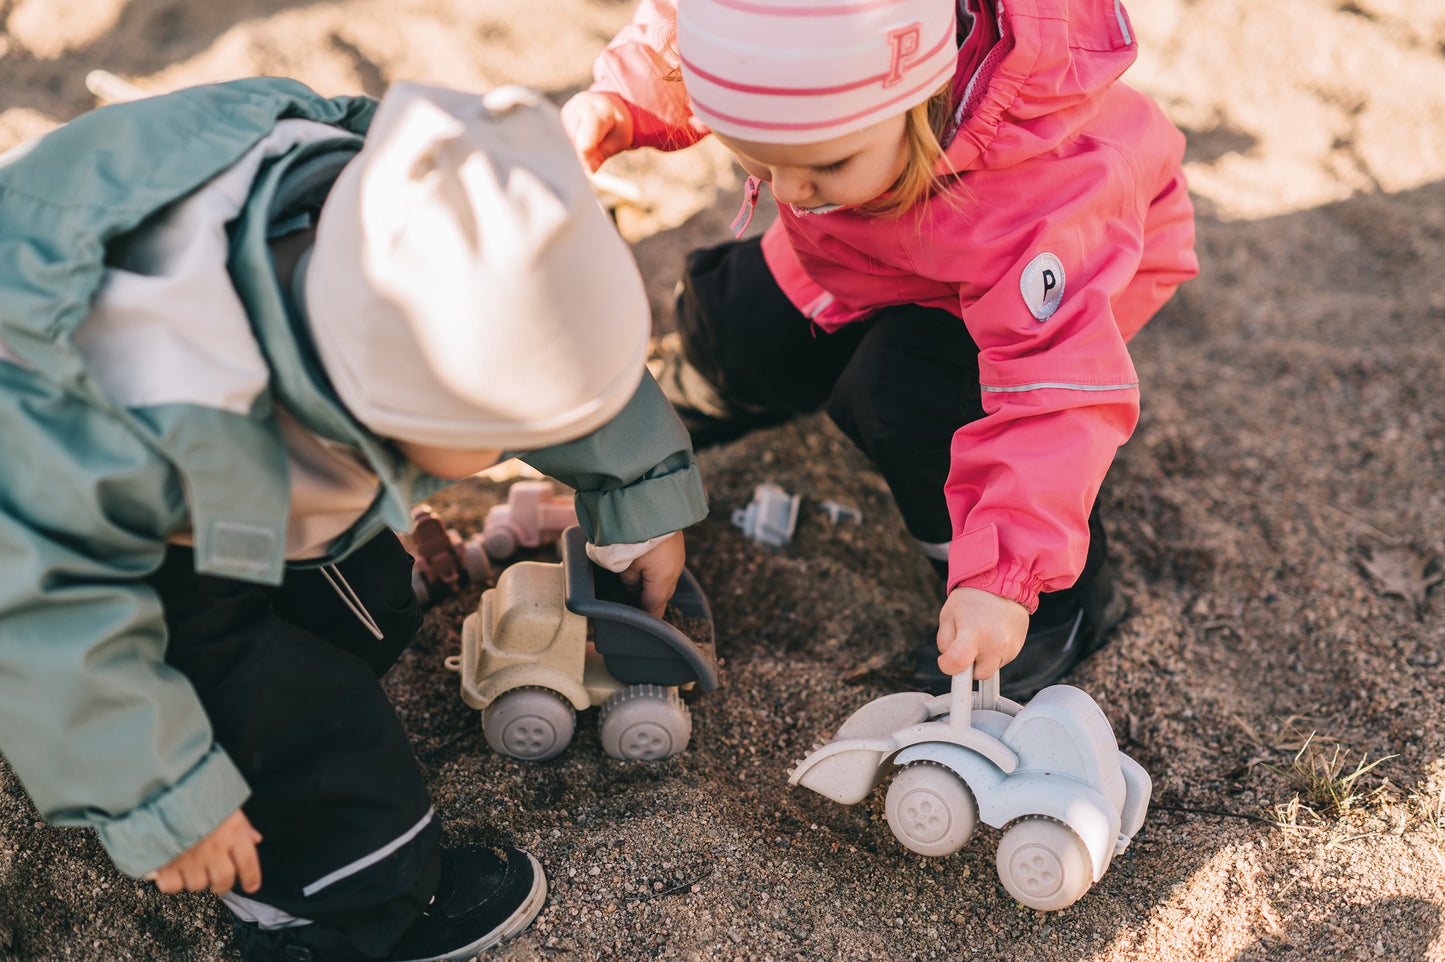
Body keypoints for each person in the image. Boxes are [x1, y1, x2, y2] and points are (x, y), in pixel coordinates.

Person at [0, 78, 708, 962]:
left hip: (214, 452)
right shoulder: (126, 403)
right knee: (314, 761)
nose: (526, 442)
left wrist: (635, 492)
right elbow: (38, 603)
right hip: (74, 533)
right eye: (502, 437)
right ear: (377, 407)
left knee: (370, 597)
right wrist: (160, 796)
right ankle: (330, 909)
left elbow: (535, 310)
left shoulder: (408, 194)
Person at [562, 0, 1199, 700]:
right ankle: (677, 422)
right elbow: (694, 38)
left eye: (824, 162)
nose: (788, 191)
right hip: (864, 246)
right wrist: (622, 104)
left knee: (903, 397)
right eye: (757, 159)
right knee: (735, 318)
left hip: (1023, 280)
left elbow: (1052, 396)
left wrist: (1005, 580)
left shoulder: (1042, 195)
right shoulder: (817, 137)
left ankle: (1050, 610)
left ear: (919, 98)